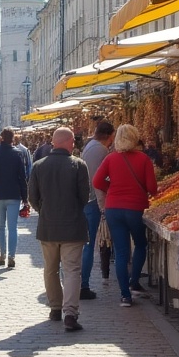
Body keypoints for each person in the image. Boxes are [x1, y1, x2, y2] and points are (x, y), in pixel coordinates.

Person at [27, 126, 91, 332]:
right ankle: (70, 313)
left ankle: (55, 308)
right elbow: (84, 196)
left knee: (51, 269)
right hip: (73, 226)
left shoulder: (39, 166)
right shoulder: (78, 165)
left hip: (48, 227)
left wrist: (44, 211)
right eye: (73, 141)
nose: (74, 144)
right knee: (72, 270)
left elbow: (32, 197)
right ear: (67, 142)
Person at [92, 123, 158, 307]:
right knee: (140, 244)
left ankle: (125, 296)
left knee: (121, 252)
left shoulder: (111, 158)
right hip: (135, 208)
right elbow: (152, 188)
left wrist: (112, 189)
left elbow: (97, 181)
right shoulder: (143, 159)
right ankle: (134, 281)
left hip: (113, 209)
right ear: (135, 138)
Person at [78, 120, 114, 300]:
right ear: (110, 135)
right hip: (93, 202)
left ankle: (79, 283)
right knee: (89, 245)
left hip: (86, 200)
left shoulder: (90, 146)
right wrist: (103, 205)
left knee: (86, 244)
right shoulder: (101, 150)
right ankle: (83, 285)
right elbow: (99, 180)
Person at [0, 127, 29, 269]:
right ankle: (11, 256)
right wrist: (25, 198)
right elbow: (22, 177)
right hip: (14, 194)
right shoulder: (18, 154)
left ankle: (2, 254)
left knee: (0, 226)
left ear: (1, 138)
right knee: (12, 227)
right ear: (13, 139)